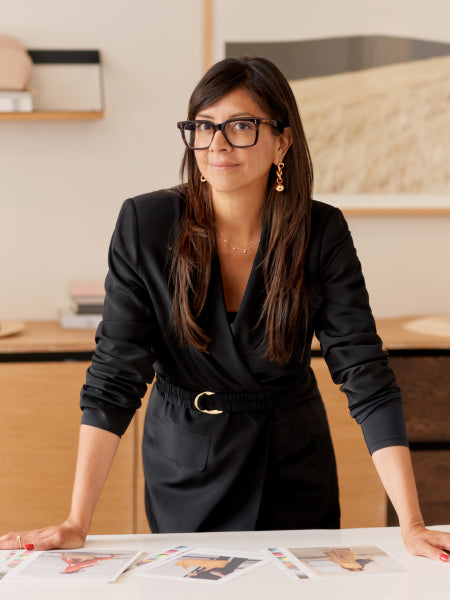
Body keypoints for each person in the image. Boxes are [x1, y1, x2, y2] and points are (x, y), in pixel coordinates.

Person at [0, 57, 449, 562]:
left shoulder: (321, 232)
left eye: (240, 126)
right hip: (186, 462)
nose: (216, 144)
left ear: (283, 140)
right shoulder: (145, 224)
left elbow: (364, 374)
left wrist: (412, 524)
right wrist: (76, 521)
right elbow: (114, 378)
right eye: (203, 126)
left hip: (294, 463)